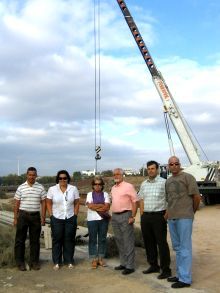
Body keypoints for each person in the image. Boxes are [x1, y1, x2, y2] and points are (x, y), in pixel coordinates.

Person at [165, 156, 201, 289]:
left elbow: (196, 197)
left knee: (185, 248)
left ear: (180, 164)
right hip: (172, 218)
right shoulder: (168, 181)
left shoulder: (188, 177)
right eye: (171, 164)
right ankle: (180, 274)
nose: (174, 165)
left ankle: (185, 279)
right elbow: (169, 200)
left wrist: (191, 212)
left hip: (185, 217)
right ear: (168, 166)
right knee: (177, 248)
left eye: (176, 163)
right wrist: (168, 214)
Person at [139, 160, 171, 279]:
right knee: (149, 242)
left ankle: (166, 269)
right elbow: (141, 200)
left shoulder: (164, 182)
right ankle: (153, 265)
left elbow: (169, 199)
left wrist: (166, 215)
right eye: (149, 169)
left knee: (161, 243)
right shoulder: (144, 184)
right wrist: (142, 215)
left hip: (159, 216)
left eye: (152, 168)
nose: (150, 171)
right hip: (146, 217)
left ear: (157, 170)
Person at [14, 167, 46, 271]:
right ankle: (20, 263)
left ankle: (34, 262)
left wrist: (43, 217)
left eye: (33, 175)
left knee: (35, 241)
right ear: (27, 175)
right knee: (20, 240)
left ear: (36, 176)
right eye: (30, 175)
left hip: (35, 216)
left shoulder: (40, 187)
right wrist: (15, 218)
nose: (32, 177)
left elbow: (43, 203)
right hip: (23, 215)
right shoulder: (21, 187)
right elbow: (17, 204)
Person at [46, 170, 80, 270]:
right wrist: (51, 215)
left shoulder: (73, 189)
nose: (62, 180)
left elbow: (77, 202)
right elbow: (48, 202)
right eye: (60, 178)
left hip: (70, 218)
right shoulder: (52, 189)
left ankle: (69, 260)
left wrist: (75, 215)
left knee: (69, 239)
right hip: (56, 218)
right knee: (57, 240)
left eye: (64, 178)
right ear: (58, 179)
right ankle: (57, 262)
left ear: (68, 178)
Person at [111, 168, 138, 275]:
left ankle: (130, 266)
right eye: (114, 174)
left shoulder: (128, 186)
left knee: (128, 241)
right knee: (119, 240)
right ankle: (123, 263)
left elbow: (135, 202)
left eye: (118, 174)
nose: (116, 176)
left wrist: (133, 216)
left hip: (126, 215)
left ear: (122, 175)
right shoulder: (113, 188)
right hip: (115, 216)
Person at [86, 176, 110, 268]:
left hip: (103, 220)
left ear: (102, 185)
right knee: (92, 239)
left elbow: (106, 207)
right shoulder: (89, 194)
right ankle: (94, 259)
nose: (97, 186)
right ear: (93, 185)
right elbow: (90, 206)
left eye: (99, 184)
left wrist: (95, 205)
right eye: (95, 184)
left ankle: (100, 258)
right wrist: (100, 205)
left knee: (102, 239)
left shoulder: (105, 195)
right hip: (92, 220)